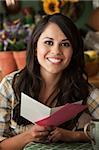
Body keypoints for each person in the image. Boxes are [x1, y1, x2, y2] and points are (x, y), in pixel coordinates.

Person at [0, 13, 99, 150]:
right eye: (48, 42)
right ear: (35, 48)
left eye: (65, 44)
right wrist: (29, 135)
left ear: (73, 51)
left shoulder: (82, 89)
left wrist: (72, 136)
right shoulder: (9, 86)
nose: (56, 51)